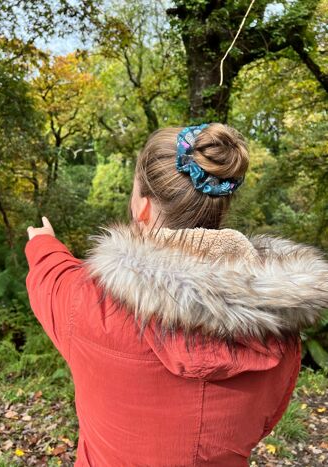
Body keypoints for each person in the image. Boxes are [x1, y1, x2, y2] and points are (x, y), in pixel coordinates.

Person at [25, 123, 328, 467]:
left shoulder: (88, 302)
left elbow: (51, 278)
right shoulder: (279, 325)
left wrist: (42, 243)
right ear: (221, 208)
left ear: (142, 208)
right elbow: (265, 421)